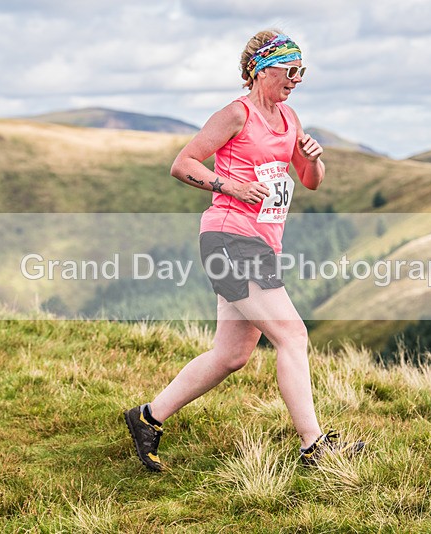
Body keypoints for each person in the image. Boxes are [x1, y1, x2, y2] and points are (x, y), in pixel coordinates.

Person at [124, 29, 363, 472]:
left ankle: (147, 417)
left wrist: (310, 158)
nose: (296, 78)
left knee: (232, 355)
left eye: (301, 71)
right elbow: (183, 163)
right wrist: (230, 184)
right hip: (230, 237)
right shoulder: (235, 115)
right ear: (260, 69)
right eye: (289, 70)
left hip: (262, 242)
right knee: (292, 335)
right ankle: (314, 447)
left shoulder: (289, 118)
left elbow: (311, 181)